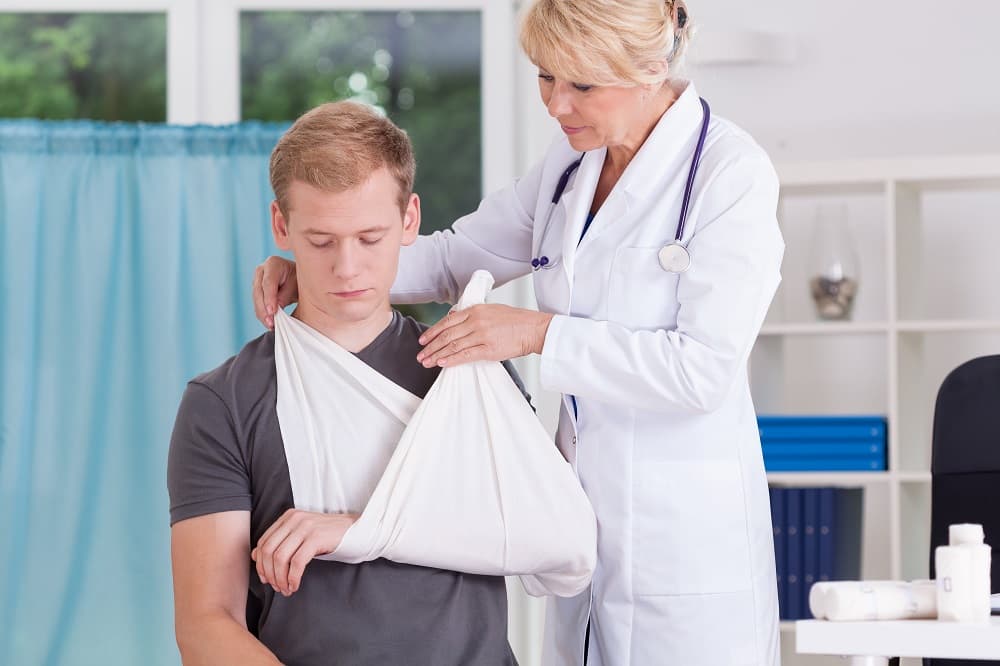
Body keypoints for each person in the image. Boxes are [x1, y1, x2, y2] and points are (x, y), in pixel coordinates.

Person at [252, 0, 784, 664]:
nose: (557, 105)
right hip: (579, 526)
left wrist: (537, 334)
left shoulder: (729, 175)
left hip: (686, 545)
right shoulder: (568, 170)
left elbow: (703, 370)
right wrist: (326, 267)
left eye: (582, 84)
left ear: (652, 66)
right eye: (544, 77)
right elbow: (450, 259)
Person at [168, 101, 524, 665]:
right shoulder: (223, 402)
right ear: (281, 227)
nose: (348, 267)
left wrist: (364, 529)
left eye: (369, 237)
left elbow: (539, 534)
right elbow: (207, 622)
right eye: (321, 241)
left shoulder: (471, 370)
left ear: (410, 220)